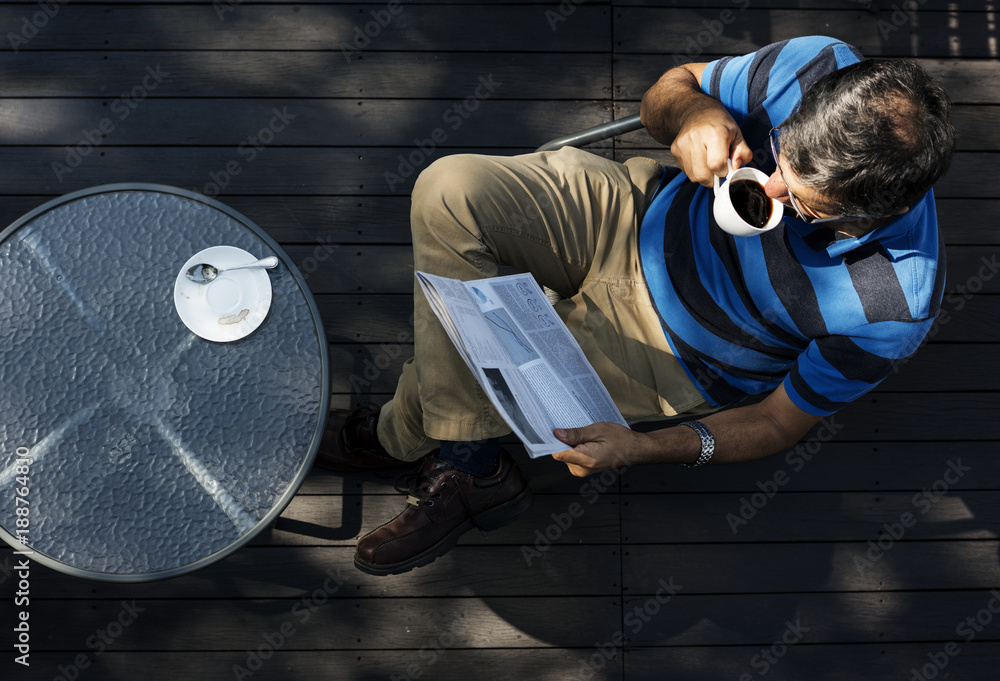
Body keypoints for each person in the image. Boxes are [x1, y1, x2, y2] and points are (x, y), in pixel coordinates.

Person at [317, 36, 955, 576]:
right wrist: (695, 112)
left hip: (678, 354)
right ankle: (474, 464)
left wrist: (641, 449)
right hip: (635, 214)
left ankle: (407, 439)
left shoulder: (894, 305)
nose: (772, 187)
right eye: (780, 155)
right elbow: (669, 90)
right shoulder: (815, 64)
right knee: (449, 188)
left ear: (885, 210)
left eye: (807, 203)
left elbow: (779, 424)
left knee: (467, 354)